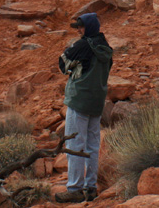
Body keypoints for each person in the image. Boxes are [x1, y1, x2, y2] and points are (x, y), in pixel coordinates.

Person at [56, 13, 113, 203]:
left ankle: (74, 188)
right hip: (96, 103)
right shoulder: (106, 47)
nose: (79, 30)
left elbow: (62, 63)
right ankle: (90, 187)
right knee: (92, 145)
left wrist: (74, 68)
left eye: (80, 27)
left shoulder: (83, 44)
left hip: (79, 100)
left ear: (88, 27)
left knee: (74, 145)